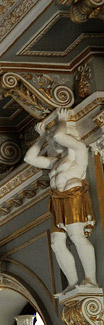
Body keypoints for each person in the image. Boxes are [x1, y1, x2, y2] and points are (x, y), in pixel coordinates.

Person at [24, 108, 96, 289]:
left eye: (52, 137)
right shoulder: (55, 163)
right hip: (57, 201)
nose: (51, 140)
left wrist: (62, 120)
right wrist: (41, 138)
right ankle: (72, 282)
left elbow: (58, 136)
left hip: (73, 195)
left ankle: (91, 279)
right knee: (56, 244)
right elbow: (29, 158)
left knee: (76, 236)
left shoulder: (79, 150)